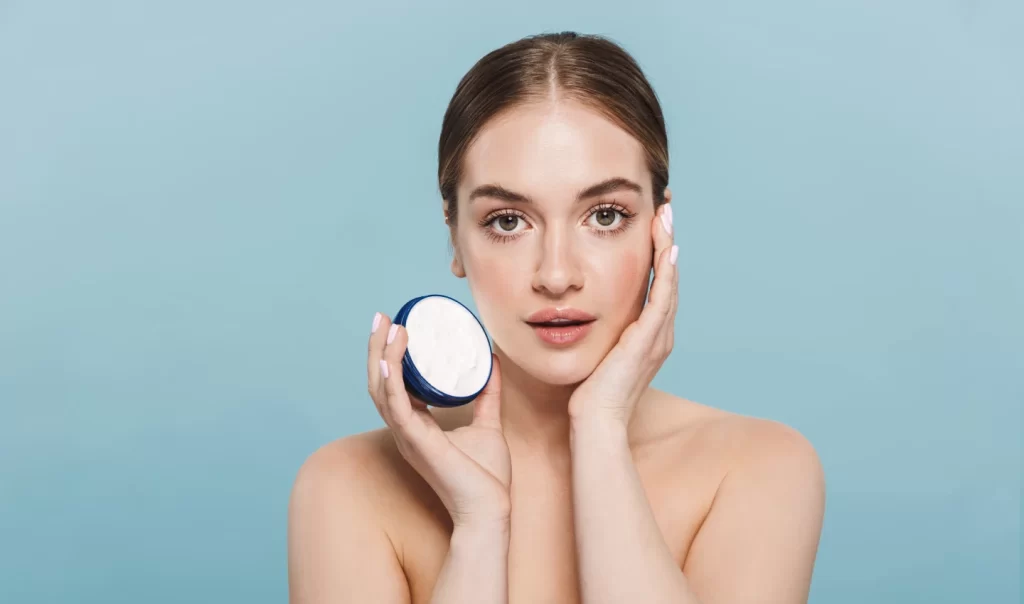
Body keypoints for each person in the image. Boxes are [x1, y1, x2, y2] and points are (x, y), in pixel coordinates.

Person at [287, 31, 826, 604]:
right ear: (455, 237)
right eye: (509, 222)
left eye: (605, 215)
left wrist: (599, 426)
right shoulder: (348, 485)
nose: (557, 273)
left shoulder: (759, 469)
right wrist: (479, 525)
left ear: (659, 227)